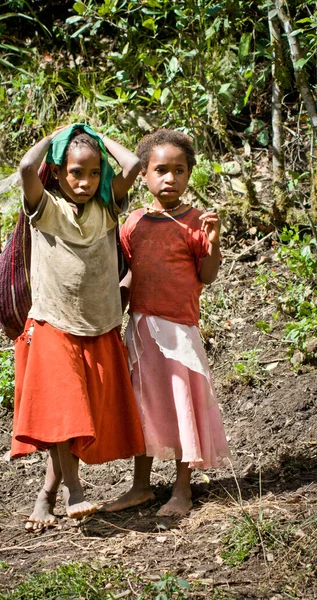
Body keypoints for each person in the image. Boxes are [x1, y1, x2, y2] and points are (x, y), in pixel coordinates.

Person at [12, 124, 145, 530]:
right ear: (57, 171)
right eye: (74, 172)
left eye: (91, 173)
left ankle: (45, 495)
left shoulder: (108, 208)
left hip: (99, 326)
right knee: (63, 410)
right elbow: (24, 167)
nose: (84, 182)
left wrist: (96, 140)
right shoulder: (45, 207)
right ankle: (74, 488)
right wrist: (56, 137)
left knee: (75, 417)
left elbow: (135, 163)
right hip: (53, 320)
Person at [104, 129, 230, 517]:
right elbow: (128, 276)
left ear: (190, 174)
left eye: (179, 170)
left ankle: (182, 489)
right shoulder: (133, 223)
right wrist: (110, 318)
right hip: (140, 330)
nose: (169, 178)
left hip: (179, 332)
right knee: (145, 406)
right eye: (161, 170)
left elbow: (206, 275)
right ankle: (140, 486)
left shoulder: (196, 222)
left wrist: (214, 242)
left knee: (182, 406)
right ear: (143, 175)